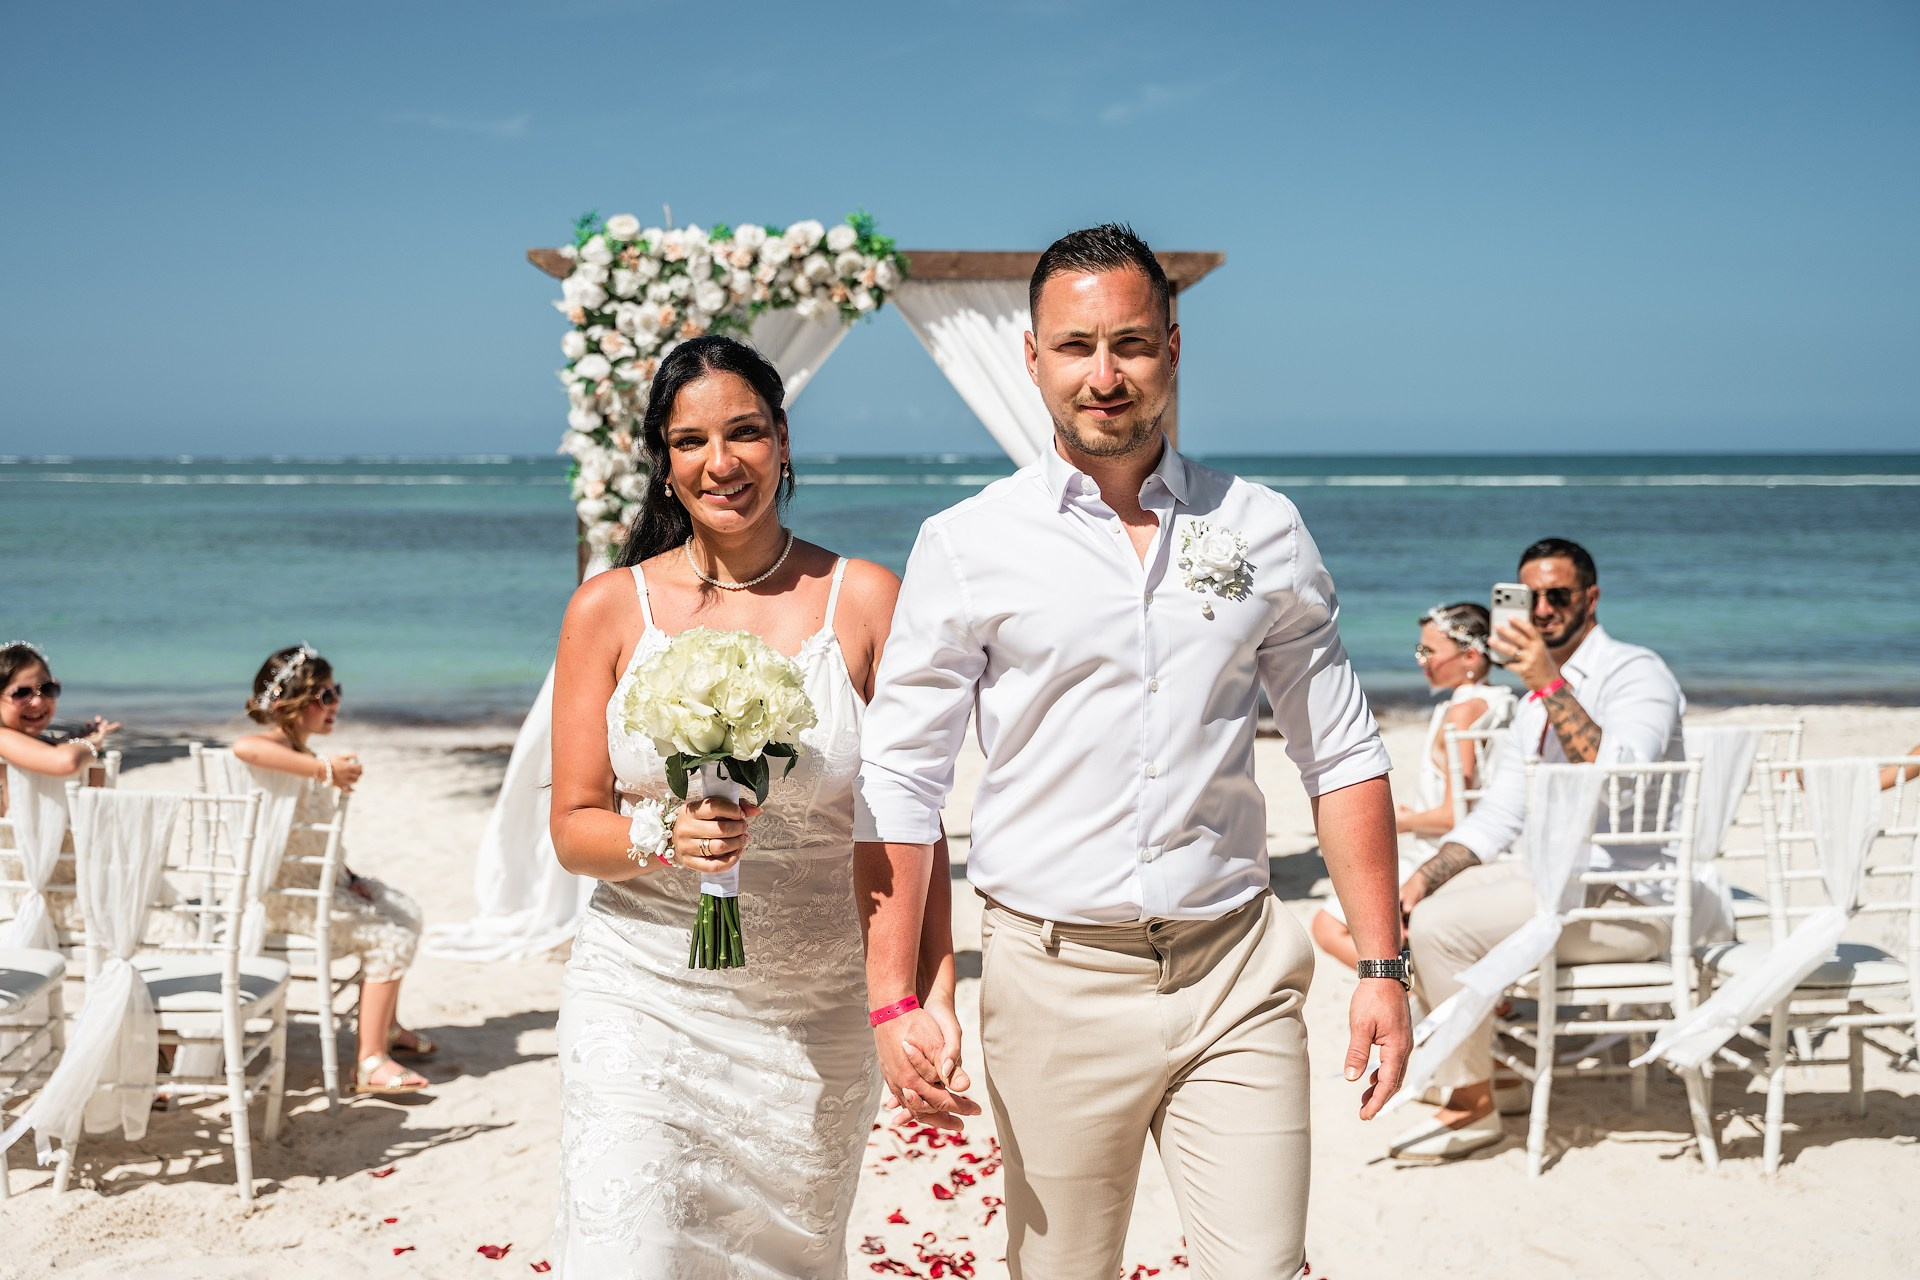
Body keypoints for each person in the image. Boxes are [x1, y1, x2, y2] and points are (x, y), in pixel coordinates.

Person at [855, 224, 1408, 1280]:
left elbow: (1338, 751)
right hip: (1054, 979)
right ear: (1033, 359)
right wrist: (895, 995)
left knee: (1263, 1267)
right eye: (1075, 347)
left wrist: (1383, 963)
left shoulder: (1261, 528)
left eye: (1131, 344)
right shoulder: (968, 543)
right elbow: (902, 782)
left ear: (1174, 349)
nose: (1104, 375)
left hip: (1236, 969)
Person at [547, 335, 951, 1278]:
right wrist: (660, 832)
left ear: (782, 439)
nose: (719, 463)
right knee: (630, 1251)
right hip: (640, 997)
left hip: (812, 1017)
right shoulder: (608, 608)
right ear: (663, 457)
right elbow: (573, 826)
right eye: (690, 442)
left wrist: (923, 995)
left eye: (745, 433)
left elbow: (909, 826)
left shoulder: (867, 602)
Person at [1391, 537, 1686, 1160]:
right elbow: (1499, 814)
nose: (1545, 609)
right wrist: (1425, 877)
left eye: (1560, 595)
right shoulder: (1532, 700)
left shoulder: (1635, 672)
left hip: (1626, 902)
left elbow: (1624, 787)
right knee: (1413, 906)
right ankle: (1488, 1075)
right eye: (1533, 596)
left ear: (1592, 598)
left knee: (1443, 930)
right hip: (1553, 883)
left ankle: (1473, 1107)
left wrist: (1550, 683)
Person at [232, 645, 431, 1096]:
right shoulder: (275, 748)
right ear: (288, 705)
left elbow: (312, 839)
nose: (336, 703)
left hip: (319, 883)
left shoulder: (297, 750)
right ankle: (370, 1061)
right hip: (281, 896)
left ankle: (387, 1024)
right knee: (389, 936)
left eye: (335, 692)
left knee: (404, 912)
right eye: (324, 696)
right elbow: (243, 747)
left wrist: (351, 876)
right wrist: (325, 768)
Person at [1310, 604, 1514, 970]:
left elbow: (1455, 815)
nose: (1421, 661)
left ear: (1469, 656)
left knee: (1327, 927)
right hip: (1491, 845)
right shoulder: (1504, 703)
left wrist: (1403, 822)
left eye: (1429, 652)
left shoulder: (1461, 714)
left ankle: (1420, 990)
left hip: (1441, 852)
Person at [0, 641, 120, 937]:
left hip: (66, 881)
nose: (38, 702)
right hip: (25, 893)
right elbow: (65, 764)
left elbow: (96, 802)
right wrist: (90, 745)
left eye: (48, 690)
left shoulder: (46, 745)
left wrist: (82, 750)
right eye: (22, 693)